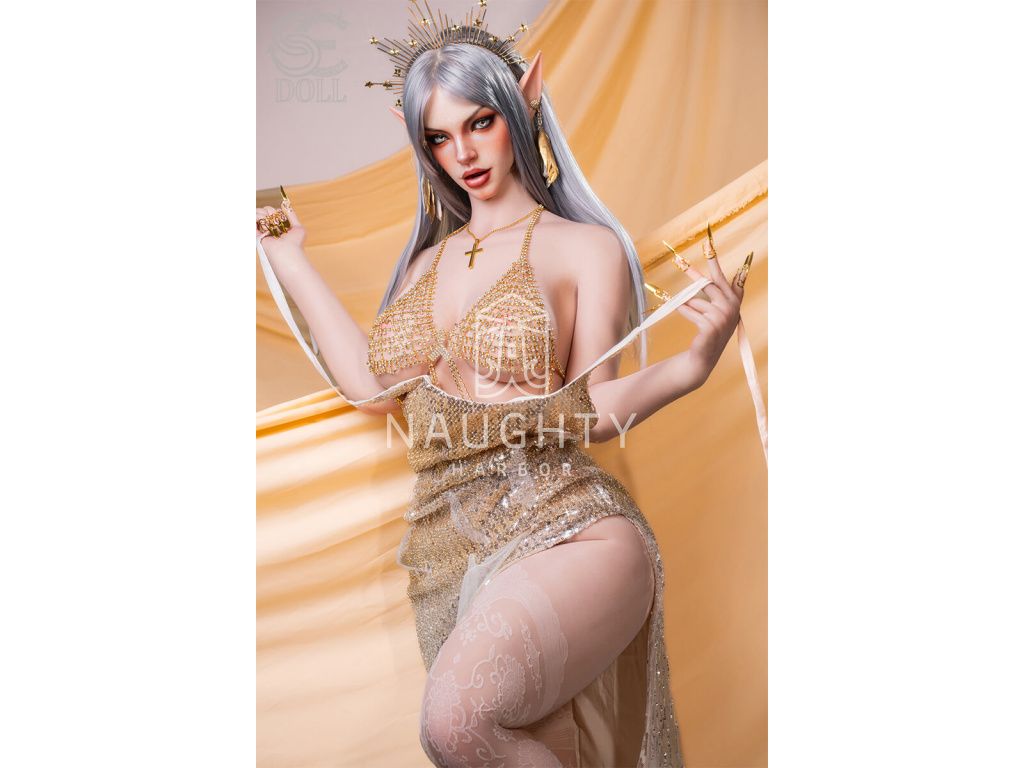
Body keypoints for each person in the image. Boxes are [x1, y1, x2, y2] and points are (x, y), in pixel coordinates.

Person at [255, 5, 750, 765]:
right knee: (507, 742)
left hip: (572, 529)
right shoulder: (425, 265)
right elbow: (369, 385)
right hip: (450, 552)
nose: (463, 153)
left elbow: (592, 408)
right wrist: (290, 258)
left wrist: (691, 366)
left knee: (455, 723)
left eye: (480, 122)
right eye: (437, 137)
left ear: (525, 100)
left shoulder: (585, 248)